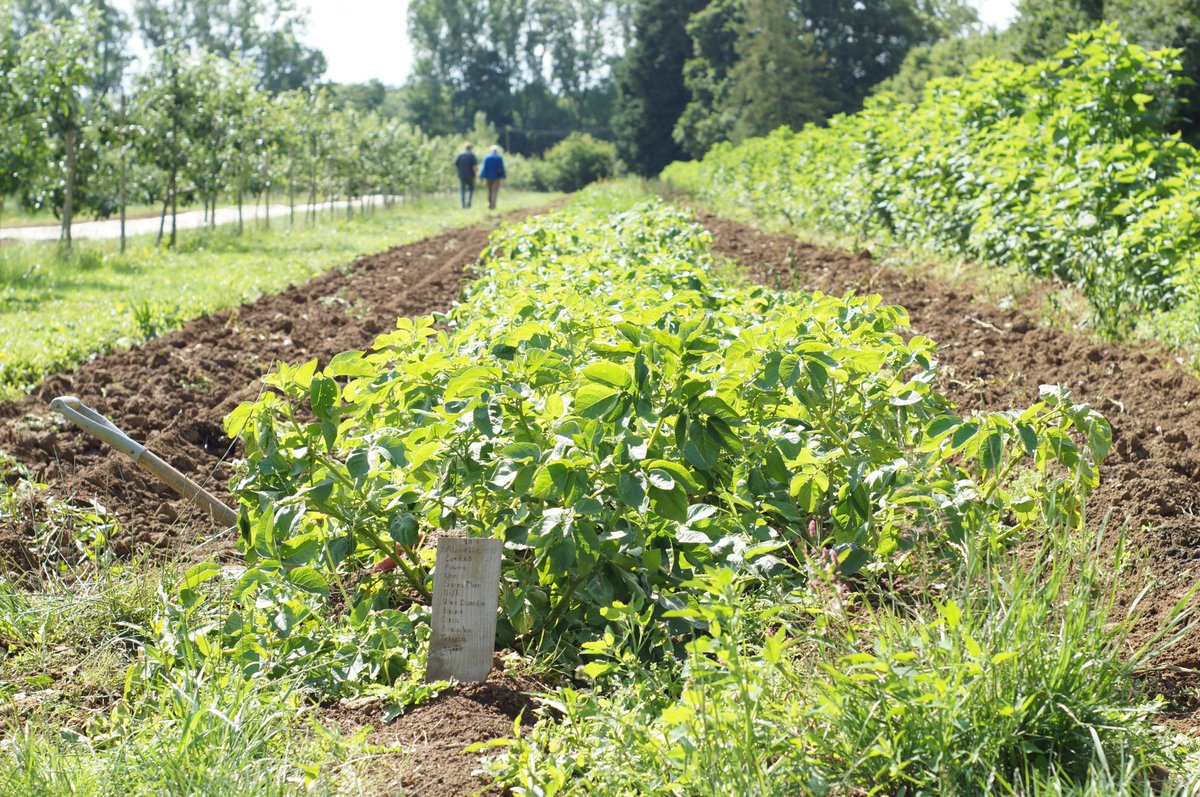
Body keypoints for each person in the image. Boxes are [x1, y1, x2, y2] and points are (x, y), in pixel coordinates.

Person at [479, 145, 506, 210]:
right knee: (495, 191)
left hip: (488, 177)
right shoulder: (499, 157)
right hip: (496, 177)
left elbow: (483, 167)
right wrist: (503, 176)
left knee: (489, 191)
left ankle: (490, 203)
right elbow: (501, 168)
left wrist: (481, 176)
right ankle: (493, 205)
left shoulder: (487, 157)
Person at [454, 143, 478, 208]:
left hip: (462, 175)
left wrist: (458, 173)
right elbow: (474, 167)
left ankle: (463, 205)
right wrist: (475, 175)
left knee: (462, 189)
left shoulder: (460, 155)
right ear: (470, 148)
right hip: (470, 175)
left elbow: (455, 165)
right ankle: (469, 203)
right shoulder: (472, 155)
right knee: (471, 189)